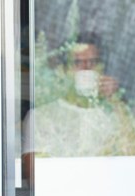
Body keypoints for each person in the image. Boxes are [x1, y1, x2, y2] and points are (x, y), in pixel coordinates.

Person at [22, 31, 121, 159]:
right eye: (77, 63)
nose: (86, 68)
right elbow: (34, 172)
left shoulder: (115, 114)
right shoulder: (41, 117)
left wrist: (117, 101)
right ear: (64, 70)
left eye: (93, 62)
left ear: (102, 67)